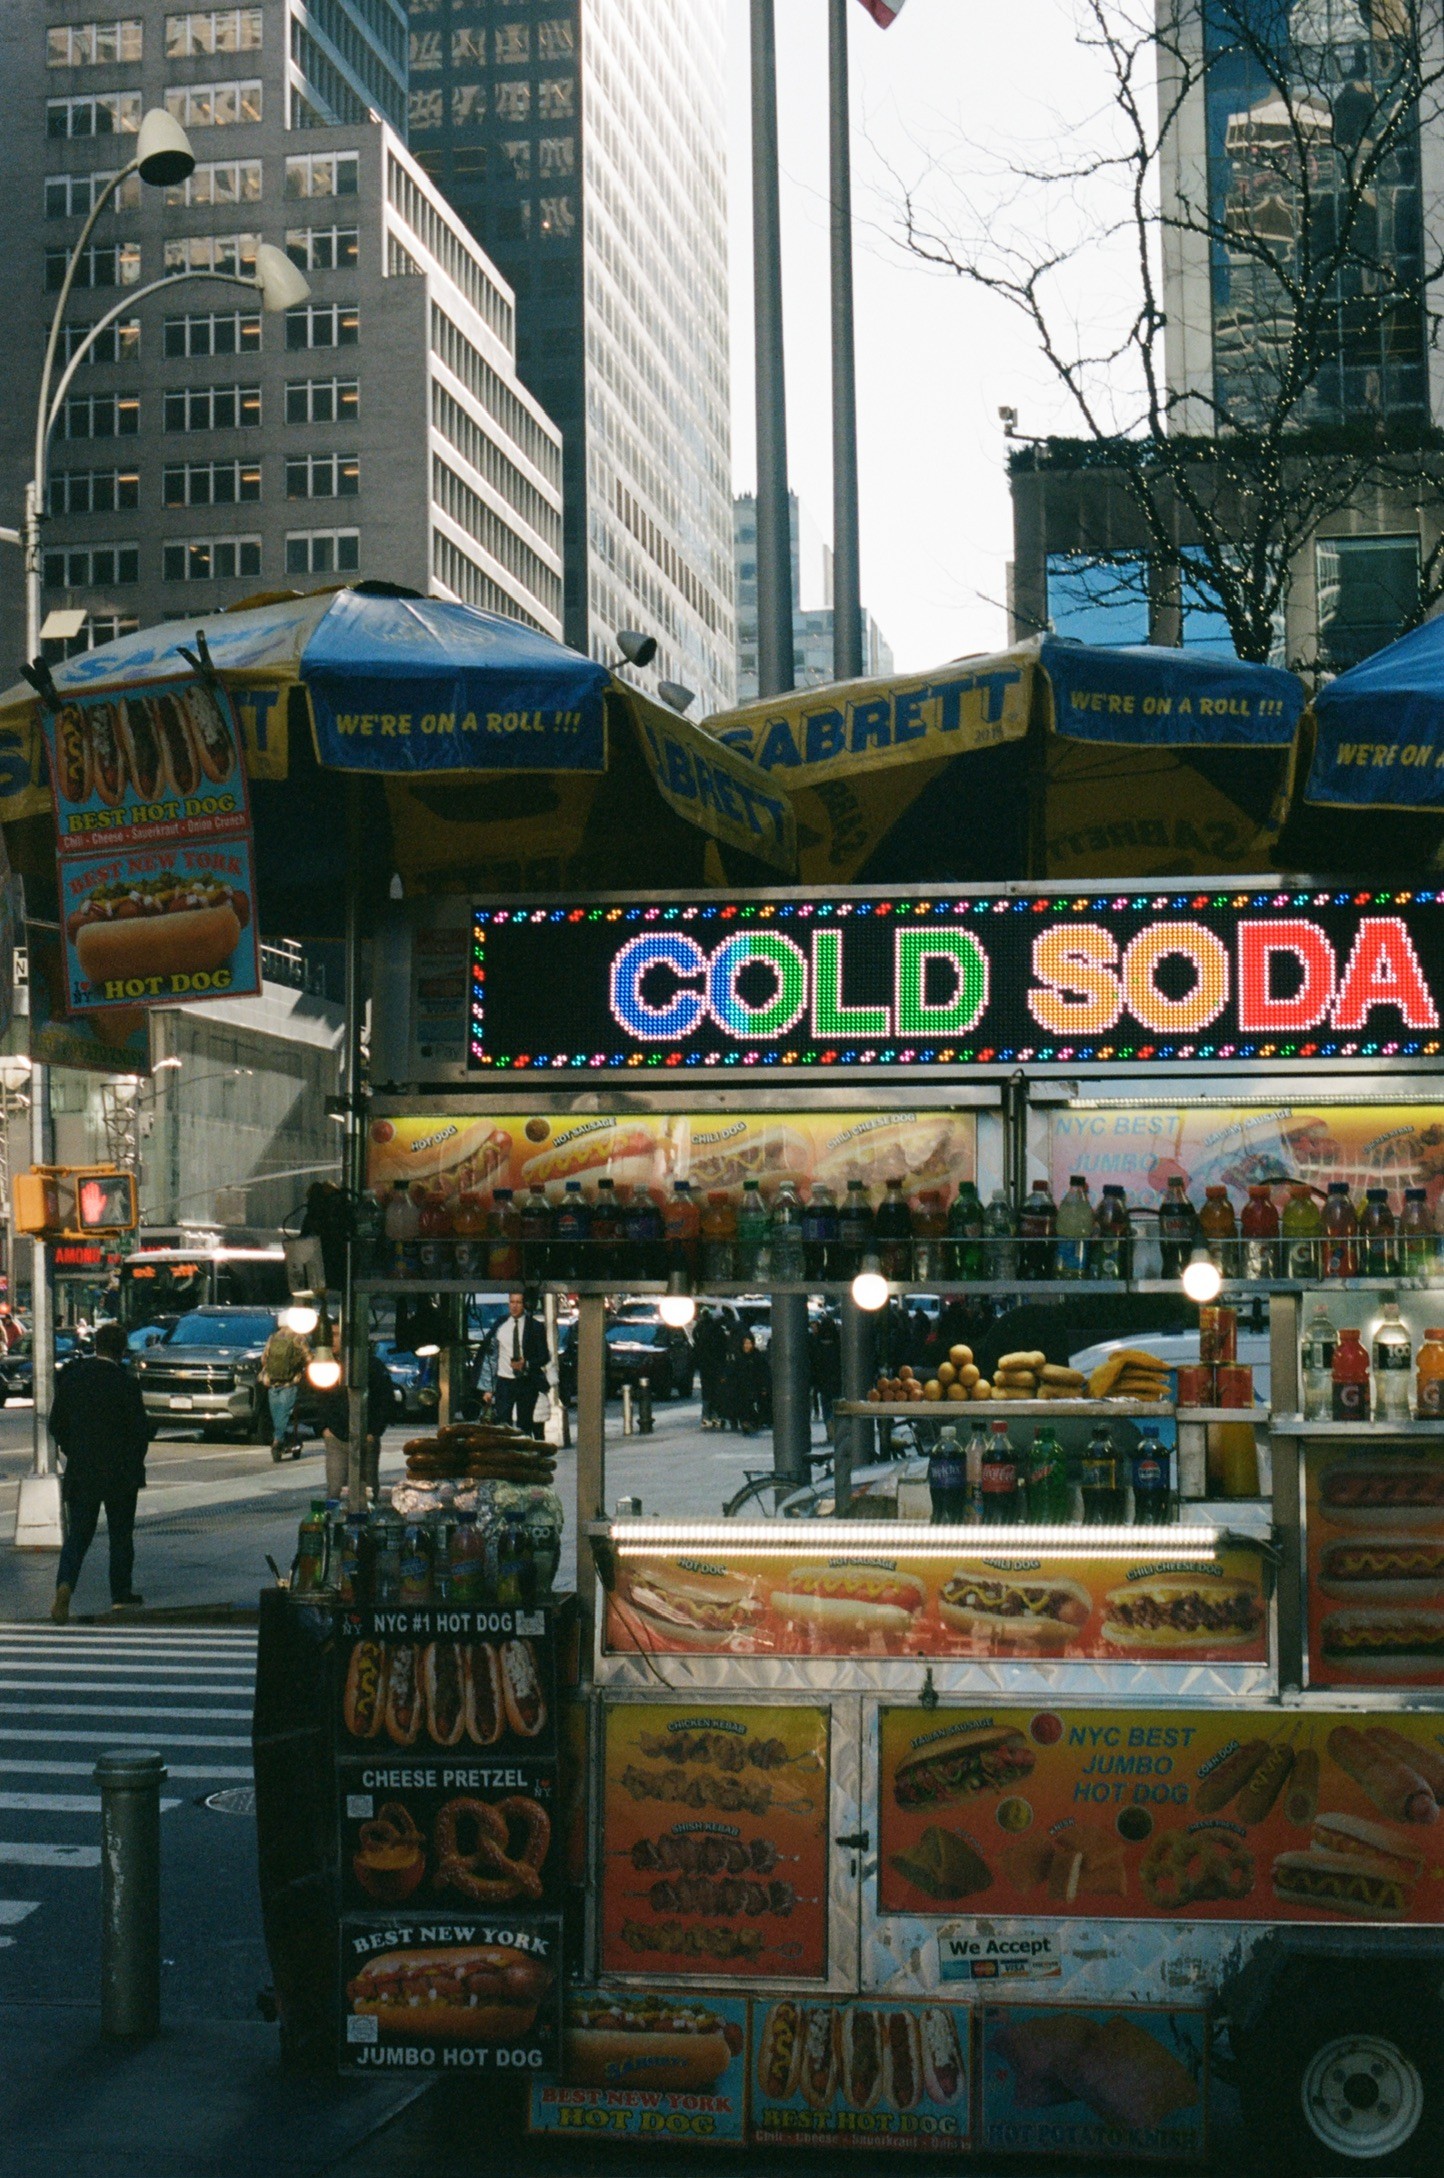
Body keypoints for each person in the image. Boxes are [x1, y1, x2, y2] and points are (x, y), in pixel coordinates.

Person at [50, 1319, 151, 1622]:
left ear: (96, 1346)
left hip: (83, 1469)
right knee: (120, 1535)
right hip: (120, 1471)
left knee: (79, 1535)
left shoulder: (74, 1379)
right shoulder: (126, 1383)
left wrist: (74, 1450)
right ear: (121, 1350)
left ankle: (65, 1584)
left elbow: (56, 1424)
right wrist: (134, 1460)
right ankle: (120, 1594)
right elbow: (140, 1431)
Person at [315, 1333, 399, 1503]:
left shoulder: (372, 1365)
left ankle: (365, 1517)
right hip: (336, 1436)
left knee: (367, 1491)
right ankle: (337, 1518)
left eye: (337, 1335)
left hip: (366, 1436)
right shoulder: (325, 1367)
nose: (332, 1340)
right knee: (335, 1490)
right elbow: (318, 1399)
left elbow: (385, 1399)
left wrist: (374, 1431)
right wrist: (324, 1427)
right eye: (331, 1335)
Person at [481, 1292, 551, 1434]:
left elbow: (544, 1356)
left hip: (526, 1381)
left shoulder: (535, 1326)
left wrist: (527, 1364)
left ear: (524, 1305)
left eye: (518, 1302)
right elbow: (491, 1357)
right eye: (512, 1302)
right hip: (504, 1381)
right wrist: (489, 1387)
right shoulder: (501, 1325)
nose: (514, 1306)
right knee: (502, 1423)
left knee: (524, 1424)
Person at [260, 1317, 309, 1459]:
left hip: (272, 1382)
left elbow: (264, 1358)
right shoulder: (298, 1338)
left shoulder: (273, 1338)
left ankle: (279, 1440)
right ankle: (278, 1440)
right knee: (284, 1414)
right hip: (290, 1382)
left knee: (277, 1416)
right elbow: (309, 1358)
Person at [723, 1331, 770, 1435]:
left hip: (754, 1387)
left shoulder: (757, 1357)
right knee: (741, 1403)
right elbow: (733, 1372)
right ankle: (744, 1421)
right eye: (745, 1343)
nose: (747, 1346)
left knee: (751, 1404)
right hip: (741, 1387)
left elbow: (763, 1373)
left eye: (749, 1343)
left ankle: (752, 1422)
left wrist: (764, 1387)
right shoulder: (739, 1357)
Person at [693, 1307, 729, 1430]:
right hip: (716, 1365)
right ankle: (714, 1415)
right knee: (716, 1391)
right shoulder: (718, 1332)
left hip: (705, 1365)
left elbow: (697, 1343)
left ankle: (706, 1416)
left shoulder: (701, 1329)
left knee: (707, 1391)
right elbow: (723, 1349)